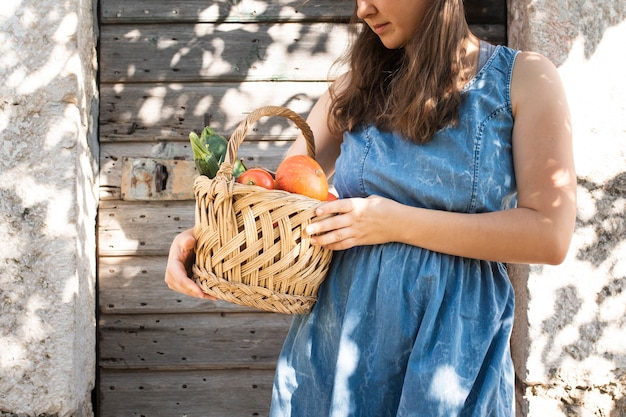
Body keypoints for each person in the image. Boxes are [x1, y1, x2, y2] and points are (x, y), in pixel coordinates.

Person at [165, 0, 576, 415]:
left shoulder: (523, 79)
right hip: (338, 350)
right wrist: (201, 241)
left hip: (452, 353)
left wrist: (395, 223)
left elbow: (549, 235)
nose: (363, 9)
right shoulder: (350, 90)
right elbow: (280, 204)